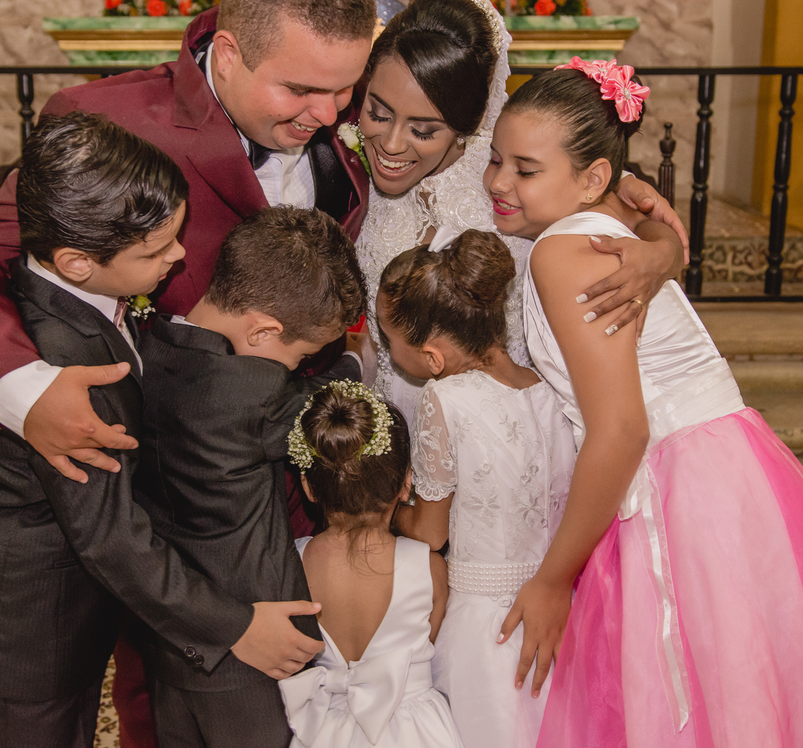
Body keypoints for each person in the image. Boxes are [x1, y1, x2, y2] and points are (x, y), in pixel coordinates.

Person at [0, 0, 376, 740]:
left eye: (346, 90)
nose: (330, 113)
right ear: (227, 55)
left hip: (263, 492)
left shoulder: (339, 126)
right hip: (127, 489)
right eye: (301, 90)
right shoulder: (109, 126)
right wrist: (29, 394)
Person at [485, 59, 803, 746]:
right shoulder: (608, 219)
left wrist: (553, 580)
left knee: (693, 688)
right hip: (731, 468)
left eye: (525, 169)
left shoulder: (560, 253)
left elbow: (621, 430)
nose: (498, 182)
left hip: (678, 486)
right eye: (496, 160)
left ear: (592, 178)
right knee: (748, 677)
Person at [0, 113, 317, 748]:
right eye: (155, 252)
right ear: (77, 263)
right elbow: (110, 537)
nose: (178, 256)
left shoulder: (74, 294)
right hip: (23, 633)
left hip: (67, 608)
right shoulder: (71, 374)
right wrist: (236, 626)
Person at [351, 0, 688, 424]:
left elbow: (631, 216)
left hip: (506, 429)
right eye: (377, 113)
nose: (392, 144)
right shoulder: (350, 161)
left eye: (423, 130)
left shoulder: (507, 175)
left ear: (465, 124)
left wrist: (662, 253)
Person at [135, 206, 367, 748]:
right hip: (256, 656)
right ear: (262, 330)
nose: (302, 366)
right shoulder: (251, 394)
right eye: (303, 354)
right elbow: (326, 403)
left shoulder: (149, 346)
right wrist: (357, 362)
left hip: (174, 642)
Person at [376, 227, 577, 748]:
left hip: (486, 624)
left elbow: (430, 533)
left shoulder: (444, 399)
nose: (387, 353)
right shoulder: (547, 387)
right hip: (560, 604)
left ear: (433, 357)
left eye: (389, 340)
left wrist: (391, 507)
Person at [278, 381, 463, 748]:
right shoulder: (429, 568)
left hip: (323, 729)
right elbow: (429, 639)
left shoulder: (292, 563)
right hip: (415, 730)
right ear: (406, 484)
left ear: (309, 487)